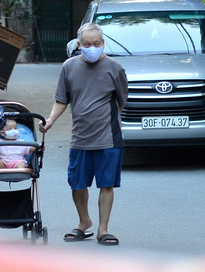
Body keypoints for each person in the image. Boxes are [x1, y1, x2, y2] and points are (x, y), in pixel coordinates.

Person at [39, 23, 128, 246]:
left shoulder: (115, 68)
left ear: (103, 43)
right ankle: (84, 221)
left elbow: (121, 101)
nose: (92, 47)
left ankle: (103, 229)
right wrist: (49, 121)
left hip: (108, 138)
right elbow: (61, 99)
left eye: (96, 43)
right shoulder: (69, 67)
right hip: (80, 137)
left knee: (106, 184)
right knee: (77, 183)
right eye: (87, 44)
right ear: (79, 45)